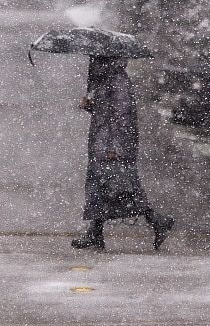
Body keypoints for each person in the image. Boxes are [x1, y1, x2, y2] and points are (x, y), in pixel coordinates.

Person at [71, 56, 175, 251]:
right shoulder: (106, 79)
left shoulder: (118, 80)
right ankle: (95, 233)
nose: (93, 61)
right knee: (102, 189)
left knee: (121, 189)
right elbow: (107, 113)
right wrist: (90, 106)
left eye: (96, 58)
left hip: (112, 145)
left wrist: (115, 147)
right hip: (102, 142)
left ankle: (157, 220)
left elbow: (123, 117)